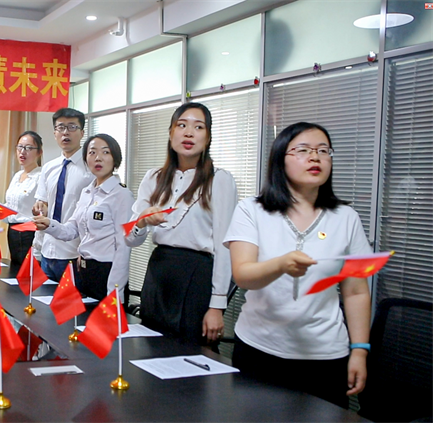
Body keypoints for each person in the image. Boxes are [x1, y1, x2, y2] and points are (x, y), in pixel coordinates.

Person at [224, 122, 371, 408]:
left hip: (326, 355)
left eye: (323, 151)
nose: (315, 157)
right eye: (303, 150)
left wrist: (360, 350)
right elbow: (243, 275)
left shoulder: (346, 217)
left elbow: (356, 291)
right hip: (259, 349)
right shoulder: (252, 210)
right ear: (280, 159)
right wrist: (280, 264)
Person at [125, 102, 237, 345]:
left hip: (197, 275)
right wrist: (142, 221)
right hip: (159, 272)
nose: (189, 133)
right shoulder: (153, 178)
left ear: (208, 138)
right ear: (170, 133)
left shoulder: (220, 180)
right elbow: (130, 239)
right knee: (151, 347)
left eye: (199, 127)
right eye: (182, 125)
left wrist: (217, 306)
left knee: (191, 350)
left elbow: (225, 245)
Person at [33, 134, 133, 300]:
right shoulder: (87, 192)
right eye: (92, 152)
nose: (98, 158)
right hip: (84, 271)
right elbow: (71, 230)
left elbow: (123, 247)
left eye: (105, 152)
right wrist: (49, 225)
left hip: (107, 273)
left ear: (115, 158)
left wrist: (115, 293)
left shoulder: (121, 195)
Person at [33, 108, 94, 282]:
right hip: (48, 250)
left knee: (75, 300)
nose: (66, 132)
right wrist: (40, 207)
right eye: (61, 127)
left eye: (72, 127)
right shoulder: (49, 168)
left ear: (82, 133)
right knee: (44, 299)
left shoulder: (91, 169)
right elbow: (44, 202)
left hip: (75, 253)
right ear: (55, 133)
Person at [0, 131, 43, 274]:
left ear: (39, 152)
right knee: (15, 272)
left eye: (28, 148)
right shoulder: (17, 175)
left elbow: (42, 211)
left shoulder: (41, 177)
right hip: (13, 231)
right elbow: (12, 211)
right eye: (20, 147)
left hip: (30, 233)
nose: (22, 152)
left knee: (29, 274)